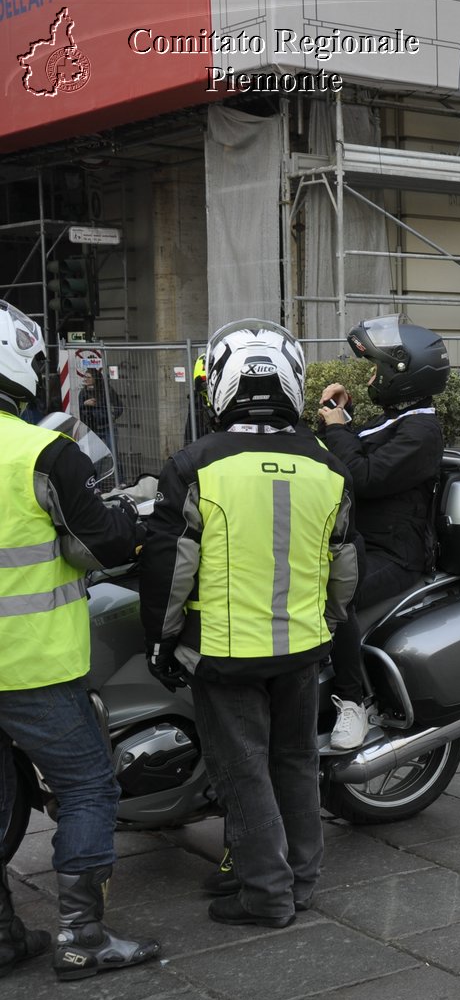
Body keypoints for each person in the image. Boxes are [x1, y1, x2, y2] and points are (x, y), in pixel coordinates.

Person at [141, 319, 357, 929]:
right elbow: (345, 571)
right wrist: (329, 625)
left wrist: (161, 640)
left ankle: (266, 893)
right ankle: (301, 880)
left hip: (224, 653)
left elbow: (170, 569)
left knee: (244, 771)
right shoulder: (327, 467)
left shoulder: (193, 465)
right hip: (303, 648)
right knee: (294, 762)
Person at [0, 300, 160, 981]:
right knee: (90, 787)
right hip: (31, 664)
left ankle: (4, 935)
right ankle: (80, 935)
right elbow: (110, 540)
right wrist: (128, 518)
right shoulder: (42, 451)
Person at [316, 315, 450, 748]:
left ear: (402, 375)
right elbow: (356, 447)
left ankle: (351, 703)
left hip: (395, 554)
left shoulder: (422, 431)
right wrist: (342, 415)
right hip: (357, 543)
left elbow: (362, 475)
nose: (372, 375)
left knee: (335, 596)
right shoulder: (396, 419)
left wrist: (337, 428)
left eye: (376, 368)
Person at [77, 369, 121, 445]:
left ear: (95, 378)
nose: (85, 379)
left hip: (108, 427)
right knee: (94, 454)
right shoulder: (83, 392)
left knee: (112, 451)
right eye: (85, 377)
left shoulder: (107, 390)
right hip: (92, 428)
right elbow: (79, 410)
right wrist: (85, 403)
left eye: (88, 377)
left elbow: (119, 406)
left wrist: (113, 416)